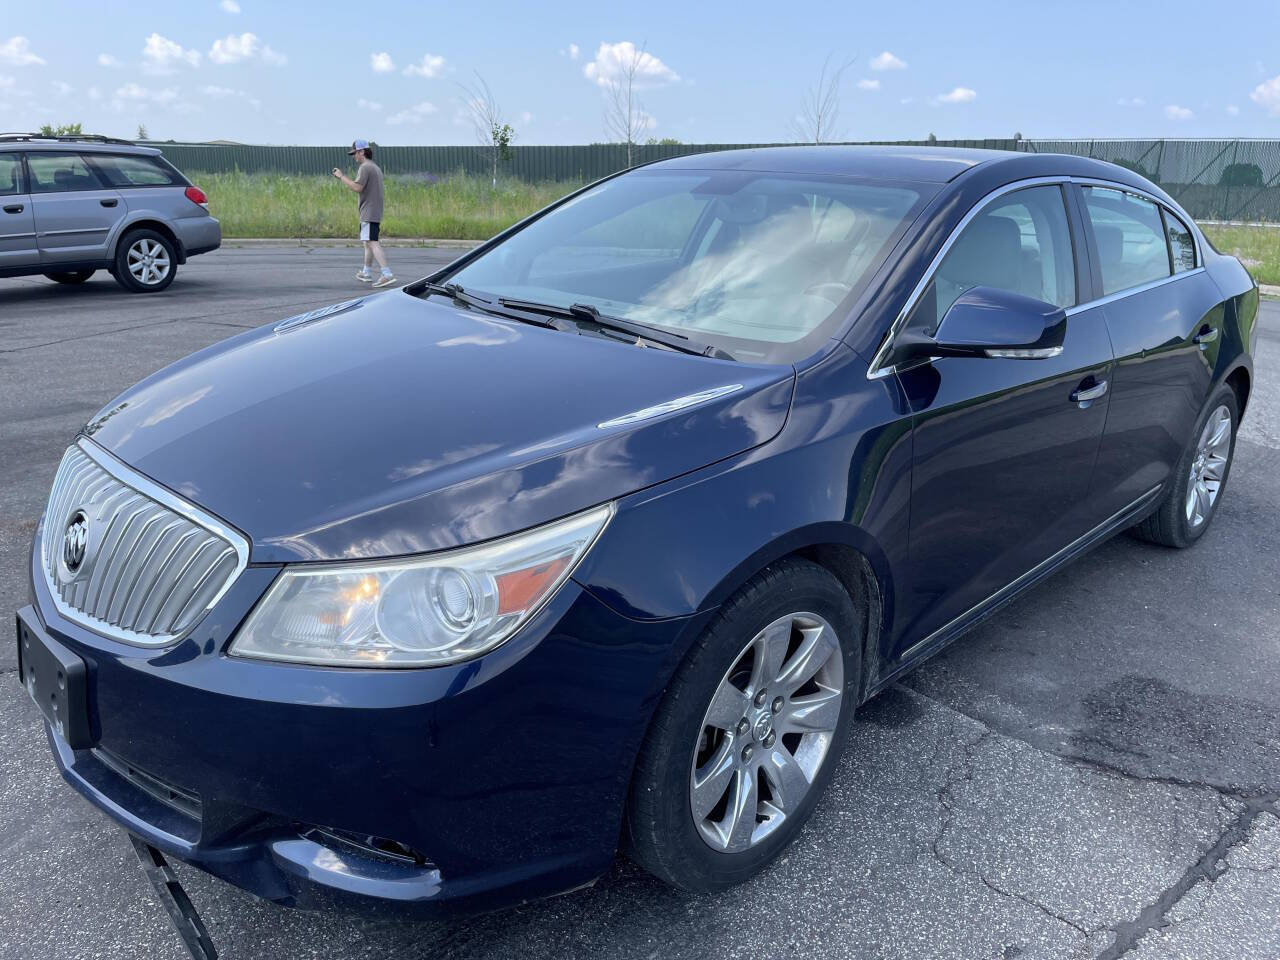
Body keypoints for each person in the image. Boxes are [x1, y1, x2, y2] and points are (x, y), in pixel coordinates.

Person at [332, 139, 394, 287]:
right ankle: (366, 272)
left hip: (369, 211)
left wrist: (341, 176)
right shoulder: (375, 167)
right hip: (374, 211)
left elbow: (357, 187)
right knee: (368, 243)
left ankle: (387, 274)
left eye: (355, 153)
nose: (354, 156)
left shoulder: (365, 167)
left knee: (372, 242)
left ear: (362, 152)